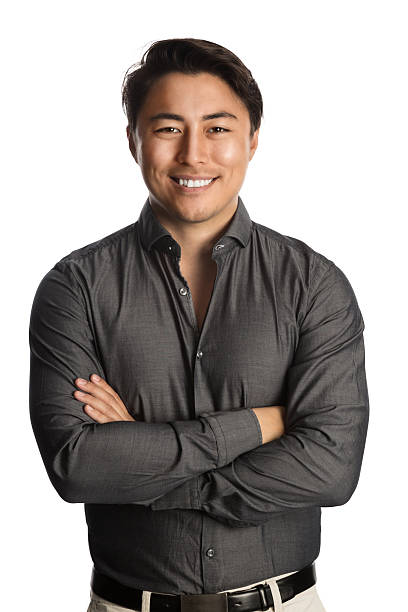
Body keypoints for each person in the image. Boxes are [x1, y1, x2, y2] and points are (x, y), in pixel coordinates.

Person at [29, 38, 369, 612]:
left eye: (217, 129)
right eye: (167, 129)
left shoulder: (313, 285)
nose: (193, 155)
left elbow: (331, 469)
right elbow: (78, 467)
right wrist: (261, 425)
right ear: (134, 141)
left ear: (252, 140)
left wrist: (144, 464)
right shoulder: (75, 288)